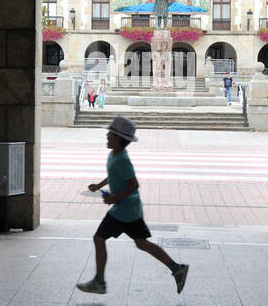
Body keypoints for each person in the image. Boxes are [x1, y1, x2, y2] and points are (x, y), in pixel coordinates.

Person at [77, 116, 189, 295]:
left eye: (111, 134)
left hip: (124, 210)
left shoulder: (121, 159)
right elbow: (114, 175)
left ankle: (99, 281)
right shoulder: (114, 155)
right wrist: (99, 186)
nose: (107, 135)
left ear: (119, 139)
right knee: (141, 243)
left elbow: (133, 184)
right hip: (130, 209)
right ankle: (177, 269)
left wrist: (115, 198)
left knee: (99, 239)